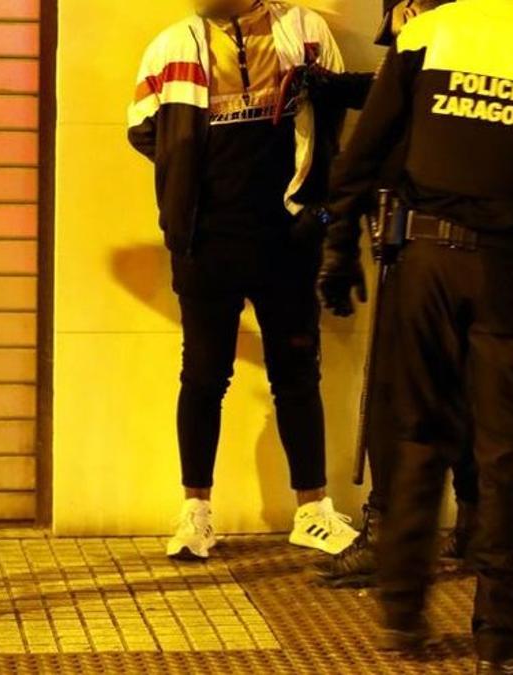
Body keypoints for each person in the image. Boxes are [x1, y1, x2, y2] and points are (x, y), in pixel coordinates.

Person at [308, 0, 513, 671]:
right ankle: (502, 636)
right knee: (504, 451)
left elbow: (366, 151)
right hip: (509, 271)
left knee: (415, 432)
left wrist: (337, 246)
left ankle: (402, 610)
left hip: (422, 266)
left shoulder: (427, 34)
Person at [127, 0, 361, 560]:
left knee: (297, 375)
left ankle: (313, 511)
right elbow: (141, 129)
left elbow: (336, 120)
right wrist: (186, 191)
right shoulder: (173, 43)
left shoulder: (305, 32)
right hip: (205, 241)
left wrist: (318, 210)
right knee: (204, 377)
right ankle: (196, 513)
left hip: (288, 236)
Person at [313, 0, 483, 591]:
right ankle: (477, 529)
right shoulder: (476, 55)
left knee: (400, 400)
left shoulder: (426, 52)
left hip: (417, 249)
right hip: (469, 253)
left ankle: (393, 534)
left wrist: (340, 237)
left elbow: (380, 139)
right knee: (464, 394)